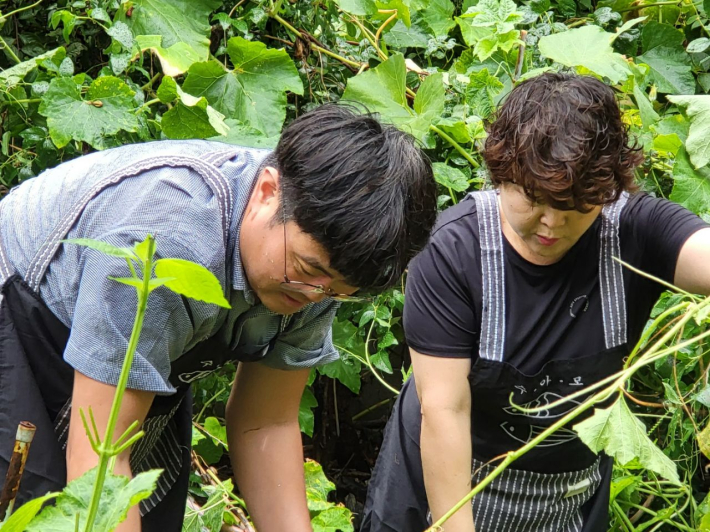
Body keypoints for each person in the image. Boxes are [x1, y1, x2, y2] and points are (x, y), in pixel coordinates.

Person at [0, 104, 438, 531]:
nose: (316, 297)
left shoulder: (325, 263)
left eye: (341, 292)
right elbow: (98, 459)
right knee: (41, 505)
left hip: (147, 349)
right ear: (268, 192)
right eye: (309, 271)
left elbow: (265, 421)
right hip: (23, 309)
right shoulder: (170, 240)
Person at [360, 73, 710, 532]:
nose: (550, 223)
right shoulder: (453, 251)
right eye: (534, 199)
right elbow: (445, 410)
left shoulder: (635, 232)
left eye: (575, 206)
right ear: (502, 175)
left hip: (569, 487)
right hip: (449, 471)